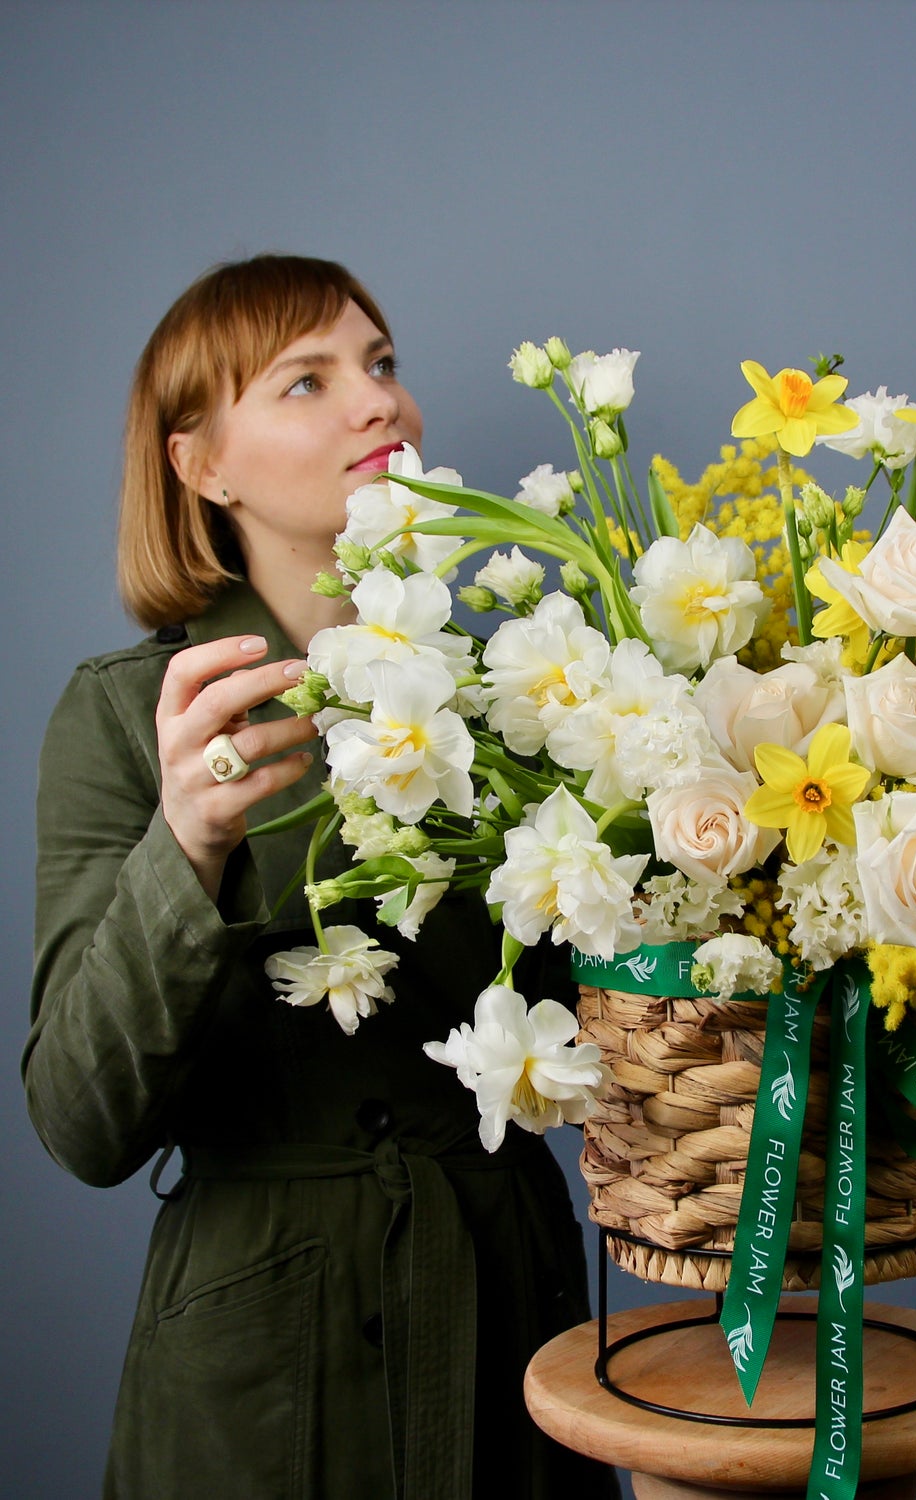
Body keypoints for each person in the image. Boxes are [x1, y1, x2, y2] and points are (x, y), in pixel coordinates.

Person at [24, 255, 617, 1500]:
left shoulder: (526, 698)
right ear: (202, 466)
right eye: (310, 379)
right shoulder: (132, 720)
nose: (379, 403)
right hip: (255, 1356)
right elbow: (81, 1121)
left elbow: (625, 1025)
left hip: (513, 1312)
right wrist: (185, 845)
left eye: (383, 363)